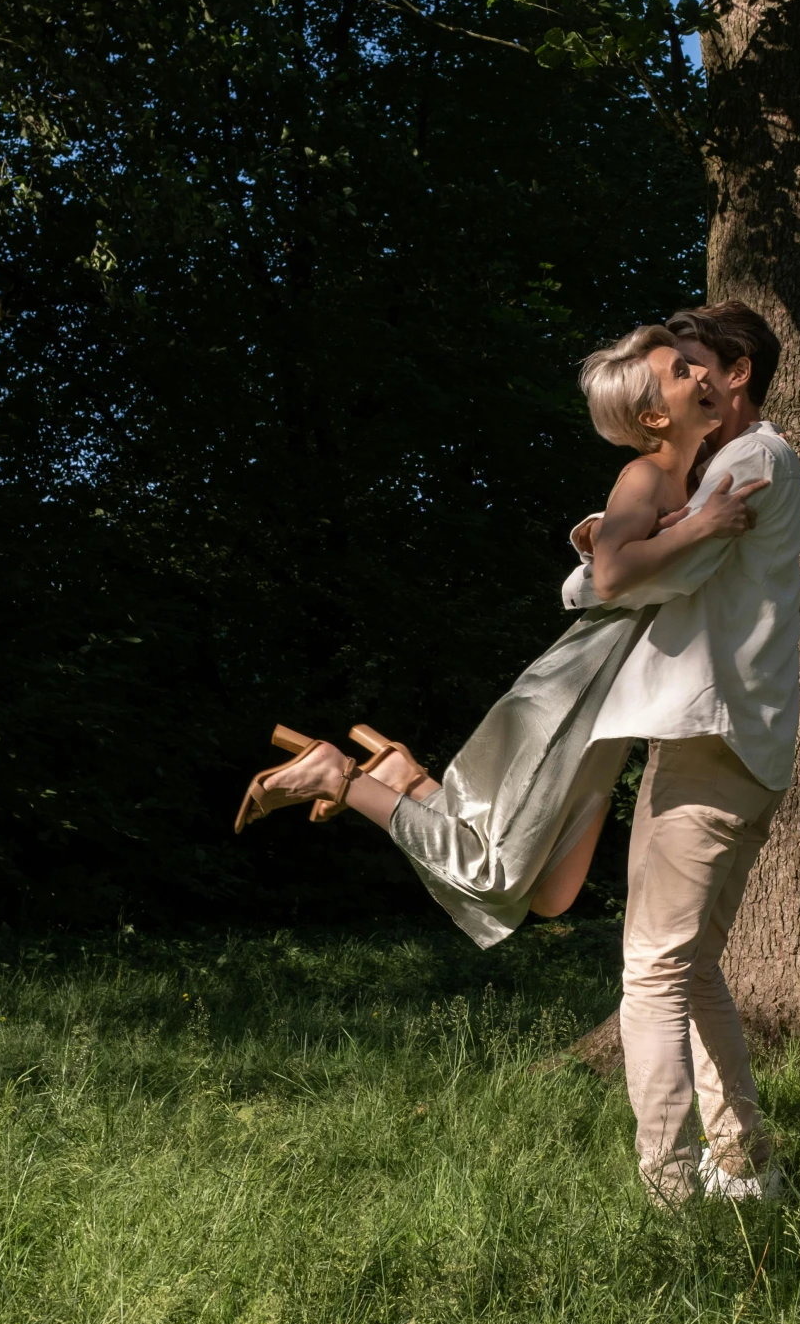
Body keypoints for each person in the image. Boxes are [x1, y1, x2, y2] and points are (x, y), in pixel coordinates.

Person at [233, 326, 767, 949]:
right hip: (576, 694)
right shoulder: (644, 477)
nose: (701, 377)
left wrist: (684, 522)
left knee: (552, 892)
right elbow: (615, 572)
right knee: (491, 874)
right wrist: (700, 528)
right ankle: (338, 777)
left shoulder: (682, 483)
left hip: (611, 714)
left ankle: (409, 780)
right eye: (682, 372)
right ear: (653, 415)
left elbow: (630, 555)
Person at [562, 302, 800, 1206]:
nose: (689, 376)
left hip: (710, 739)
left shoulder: (747, 463)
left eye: (696, 361)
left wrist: (596, 556)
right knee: (689, 965)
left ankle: (666, 1190)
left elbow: (630, 580)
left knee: (652, 971)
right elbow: (631, 568)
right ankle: (746, 1166)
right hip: (724, 741)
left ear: (736, 373)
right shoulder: (734, 465)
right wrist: (608, 547)